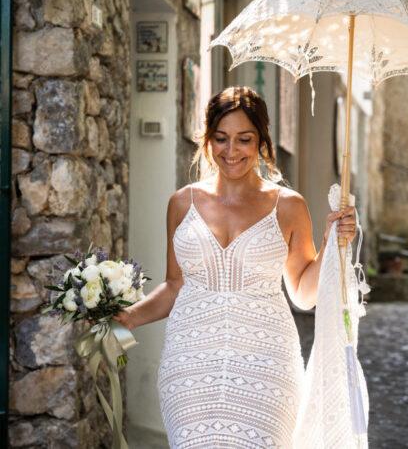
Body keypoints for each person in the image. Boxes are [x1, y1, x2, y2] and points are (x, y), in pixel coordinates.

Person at [113, 86, 357, 448]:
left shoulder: (288, 205)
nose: (231, 151)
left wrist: (330, 246)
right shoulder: (182, 203)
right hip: (190, 362)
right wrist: (127, 318)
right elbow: (175, 286)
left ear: (262, 141)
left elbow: (304, 294)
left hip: (267, 364)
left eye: (244, 139)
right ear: (208, 140)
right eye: (221, 138)